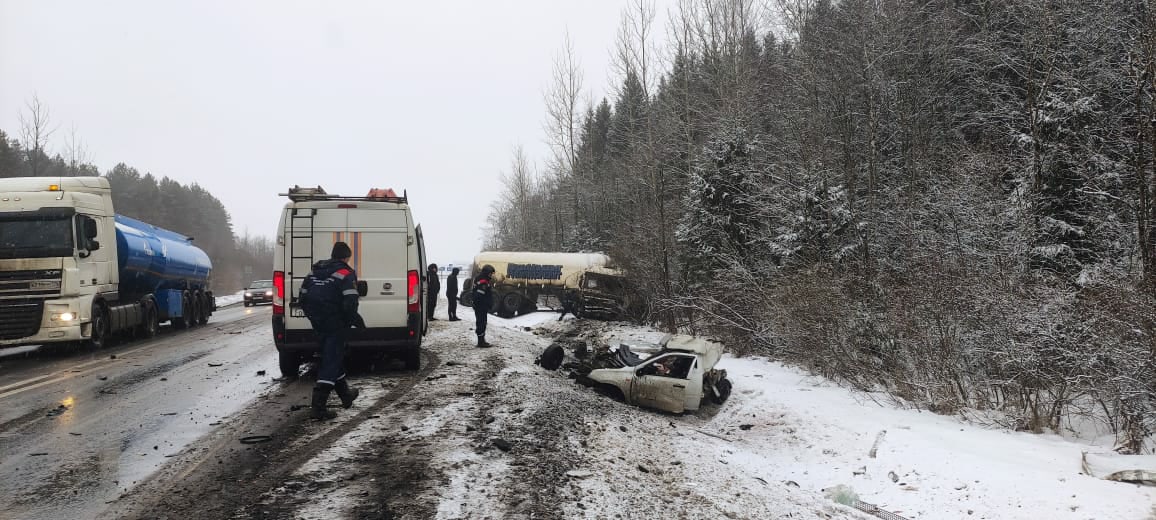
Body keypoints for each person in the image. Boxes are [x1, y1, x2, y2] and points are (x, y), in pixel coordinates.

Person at [299, 241, 364, 420]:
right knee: (331, 360)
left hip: (318, 322)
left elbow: (302, 298)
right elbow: (351, 301)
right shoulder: (346, 273)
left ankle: (345, 395)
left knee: (332, 356)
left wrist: (314, 318)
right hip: (335, 323)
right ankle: (318, 407)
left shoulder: (313, 272)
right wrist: (352, 320)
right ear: (345, 257)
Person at [472, 264, 495, 348]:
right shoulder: (483, 282)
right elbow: (480, 295)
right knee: (481, 323)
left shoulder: (481, 279)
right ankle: (481, 342)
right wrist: (485, 304)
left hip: (480, 306)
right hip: (481, 306)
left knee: (481, 322)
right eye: (490, 273)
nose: (491, 275)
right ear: (486, 272)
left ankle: (481, 340)